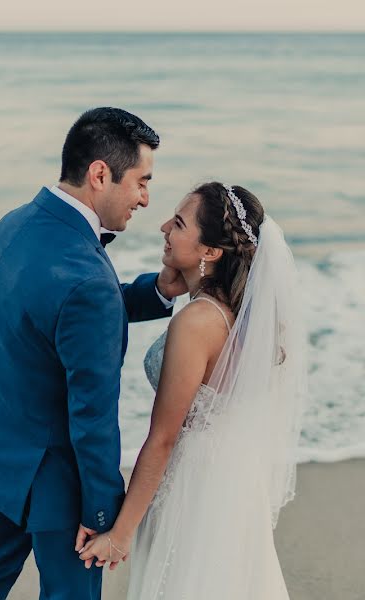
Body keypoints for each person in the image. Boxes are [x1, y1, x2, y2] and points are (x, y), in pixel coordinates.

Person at [0, 107, 187, 600]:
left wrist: (157, 291)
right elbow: (93, 417)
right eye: (142, 181)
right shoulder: (85, 282)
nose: (146, 198)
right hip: (57, 487)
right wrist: (103, 517)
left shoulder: (14, 225)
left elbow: (54, 314)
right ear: (101, 173)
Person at [78, 182, 307, 599]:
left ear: (211, 252)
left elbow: (164, 439)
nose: (164, 226)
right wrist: (173, 279)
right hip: (234, 479)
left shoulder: (197, 323)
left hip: (193, 483)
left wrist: (121, 533)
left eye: (179, 223)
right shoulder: (240, 315)